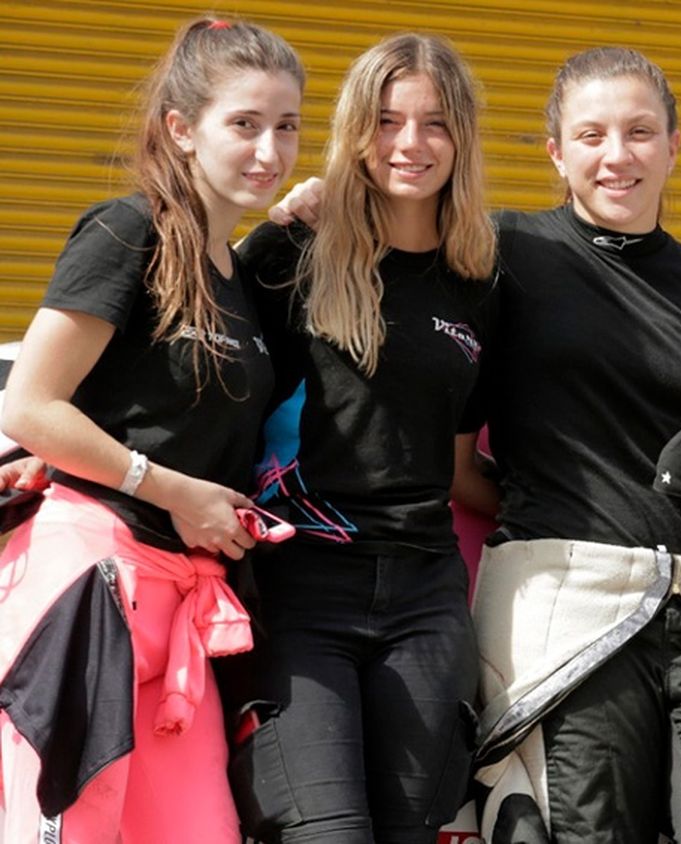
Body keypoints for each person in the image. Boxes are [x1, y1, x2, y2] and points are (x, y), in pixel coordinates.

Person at [459, 47, 681, 843]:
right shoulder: (503, 255)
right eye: (592, 135)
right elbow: (453, 467)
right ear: (556, 151)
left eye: (641, 132)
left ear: (675, 144)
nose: (618, 156)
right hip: (566, 606)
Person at [0, 17, 302, 842]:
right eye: (244, 124)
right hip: (89, 582)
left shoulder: (238, 274)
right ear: (181, 128)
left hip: (186, 600)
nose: (269, 151)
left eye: (287, 127)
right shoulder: (127, 230)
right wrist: (169, 490)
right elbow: (27, 406)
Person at [230, 33, 498, 844]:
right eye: (386, 120)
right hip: (301, 584)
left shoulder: (481, 275)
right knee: (326, 831)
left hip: (424, 594)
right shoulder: (289, 251)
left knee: (412, 831)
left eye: (435, 123)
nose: (410, 144)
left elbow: (456, 462)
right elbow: (207, 400)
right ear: (354, 130)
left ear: (464, 138)